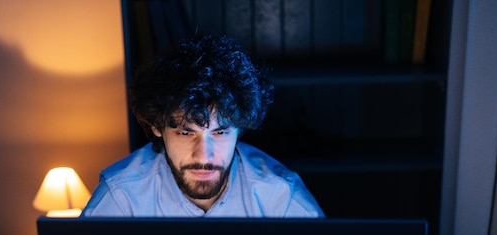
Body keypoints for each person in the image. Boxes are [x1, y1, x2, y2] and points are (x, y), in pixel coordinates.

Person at [82, 34, 325, 217]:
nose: (204, 155)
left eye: (220, 132)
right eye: (186, 133)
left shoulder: (280, 199)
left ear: (239, 129)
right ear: (157, 127)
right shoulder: (122, 199)